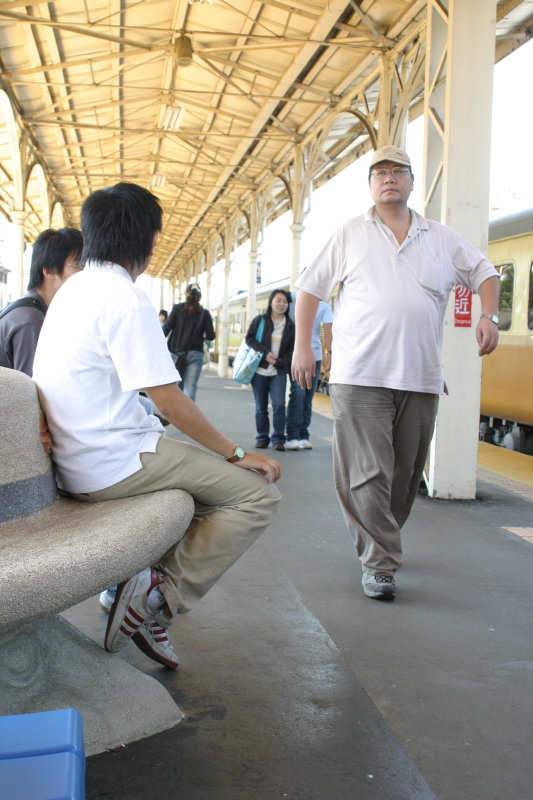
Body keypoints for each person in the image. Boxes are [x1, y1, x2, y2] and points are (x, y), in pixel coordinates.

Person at [33, 182, 281, 671]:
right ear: (148, 244)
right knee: (256, 495)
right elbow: (168, 399)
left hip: (76, 460)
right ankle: (156, 600)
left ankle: (143, 587)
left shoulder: (71, 291)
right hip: (112, 463)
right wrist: (236, 453)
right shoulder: (125, 298)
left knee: (195, 496)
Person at [291, 145, 500, 602]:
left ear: (410, 182)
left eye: (398, 172)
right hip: (359, 375)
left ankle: (379, 538)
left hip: (420, 377)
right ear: (370, 185)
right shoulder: (349, 234)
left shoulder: (441, 238)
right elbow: (309, 289)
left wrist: (490, 316)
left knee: (404, 476)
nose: (389, 179)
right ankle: (380, 563)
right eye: (380, 172)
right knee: (368, 473)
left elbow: (485, 272)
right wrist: (303, 347)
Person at [0, 228, 83, 375]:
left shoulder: (36, 309)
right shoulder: (31, 319)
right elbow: (30, 389)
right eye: (80, 266)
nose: (86, 274)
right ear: (50, 270)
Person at [245, 289, 294, 452]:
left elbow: (292, 351)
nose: (281, 304)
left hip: (278, 372)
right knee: (261, 407)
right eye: (278, 300)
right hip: (259, 371)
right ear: (271, 302)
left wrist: (279, 362)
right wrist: (265, 353)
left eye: (285, 302)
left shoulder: (291, 326)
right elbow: (249, 339)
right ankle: (262, 437)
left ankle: (279, 438)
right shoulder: (260, 320)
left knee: (280, 405)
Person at [285, 292, 333, 450]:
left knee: (308, 396)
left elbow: (328, 328)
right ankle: (292, 436)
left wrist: (329, 353)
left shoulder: (324, 304)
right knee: (298, 394)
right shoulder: (291, 298)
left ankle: (303, 434)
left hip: (316, 356)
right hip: (296, 355)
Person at [163, 283, 215, 402]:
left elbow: (166, 329)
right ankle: (188, 419)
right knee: (190, 389)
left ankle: (178, 419)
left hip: (176, 355)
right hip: (195, 355)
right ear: (200, 296)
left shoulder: (177, 309)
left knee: (176, 389)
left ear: (186, 294)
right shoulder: (204, 314)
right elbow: (211, 336)